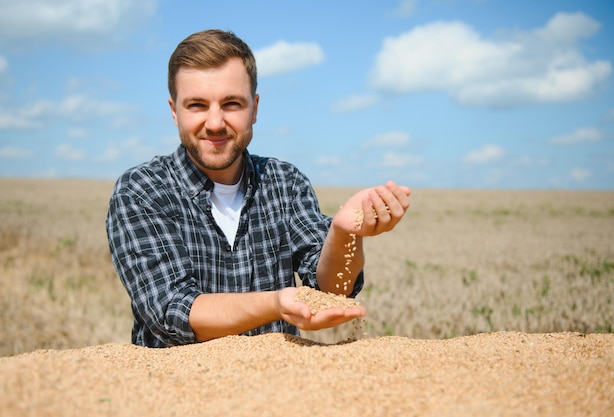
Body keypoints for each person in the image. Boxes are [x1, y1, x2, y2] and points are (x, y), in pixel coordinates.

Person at [106, 29, 411, 348]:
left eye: (231, 104)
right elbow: (172, 312)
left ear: (254, 108)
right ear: (174, 111)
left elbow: (333, 291)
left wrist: (344, 233)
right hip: (177, 390)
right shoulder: (141, 190)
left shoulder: (285, 183)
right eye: (197, 105)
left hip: (276, 392)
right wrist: (276, 304)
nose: (214, 123)